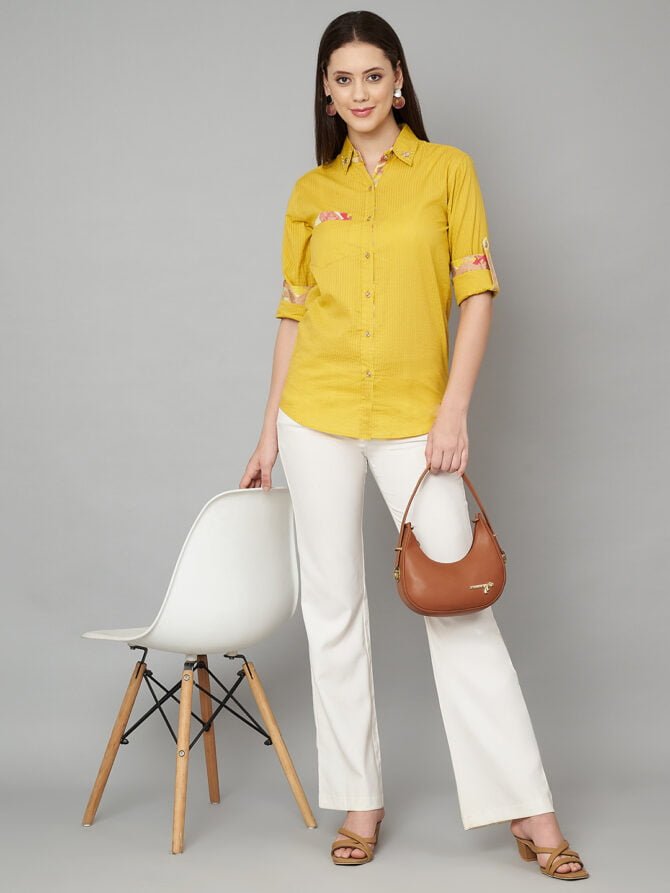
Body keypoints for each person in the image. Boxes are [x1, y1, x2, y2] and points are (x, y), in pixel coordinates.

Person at [240, 10, 589, 880]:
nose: (359, 92)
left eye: (373, 75)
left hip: (417, 421)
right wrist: (268, 431)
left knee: (457, 601)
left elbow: (478, 294)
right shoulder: (309, 193)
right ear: (326, 93)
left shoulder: (447, 172)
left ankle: (529, 807)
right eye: (342, 79)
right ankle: (359, 800)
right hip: (315, 416)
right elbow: (293, 317)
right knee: (333, 612)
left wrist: (454, 411)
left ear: (399, 82)